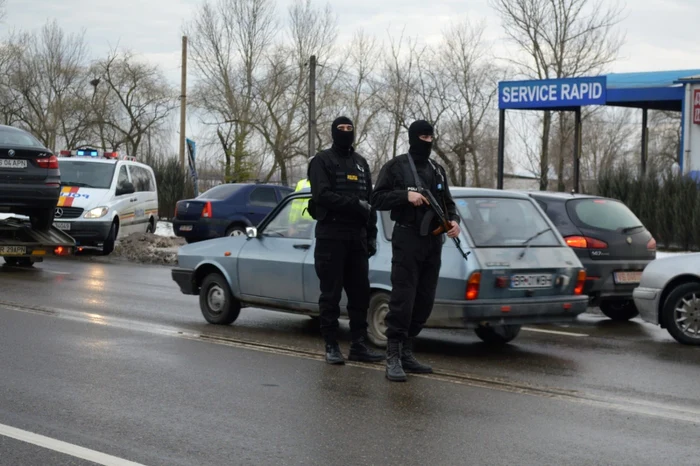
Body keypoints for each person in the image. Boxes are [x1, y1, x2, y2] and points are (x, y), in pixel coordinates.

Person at [371, 120, 461, 382]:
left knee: (424, 300)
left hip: (433, 242)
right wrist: (405, 196)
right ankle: (394, 356)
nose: (428, 141)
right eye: (423, 136)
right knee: (403, 299)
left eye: (431, 136)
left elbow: (448, 202)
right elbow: (377, 199)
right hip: (408, 237)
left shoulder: (437, 168)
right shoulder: (396, 166)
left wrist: (454, 221)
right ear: (413, 137)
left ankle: (408, 350)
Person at [307, 116, 384, 365]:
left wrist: (371, 235)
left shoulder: (361, 163)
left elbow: (370, 204)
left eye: (349, 129)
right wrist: (354, 204)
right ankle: (331, 345)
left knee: (360, 295)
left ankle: (358, 345)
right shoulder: (322, 161)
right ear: (333, 132)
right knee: (330, 295)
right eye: (341, 129)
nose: (345, 132)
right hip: (331, 236)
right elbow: (322, 195)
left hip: (357, 239)